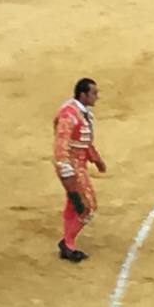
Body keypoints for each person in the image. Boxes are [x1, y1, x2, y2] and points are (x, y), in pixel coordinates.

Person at [52, 78, 106, 263]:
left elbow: (84, 142)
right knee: (87, 206)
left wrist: (95, 159)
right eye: (93, 94)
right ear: (83, 95)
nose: (96, 97)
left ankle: (68, 243)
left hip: (77, 164)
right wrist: (65, 168)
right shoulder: (70, 115)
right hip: (71, 166)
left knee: (73, 203)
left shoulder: (79, 112)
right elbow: (61, 142)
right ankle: (67, 243)